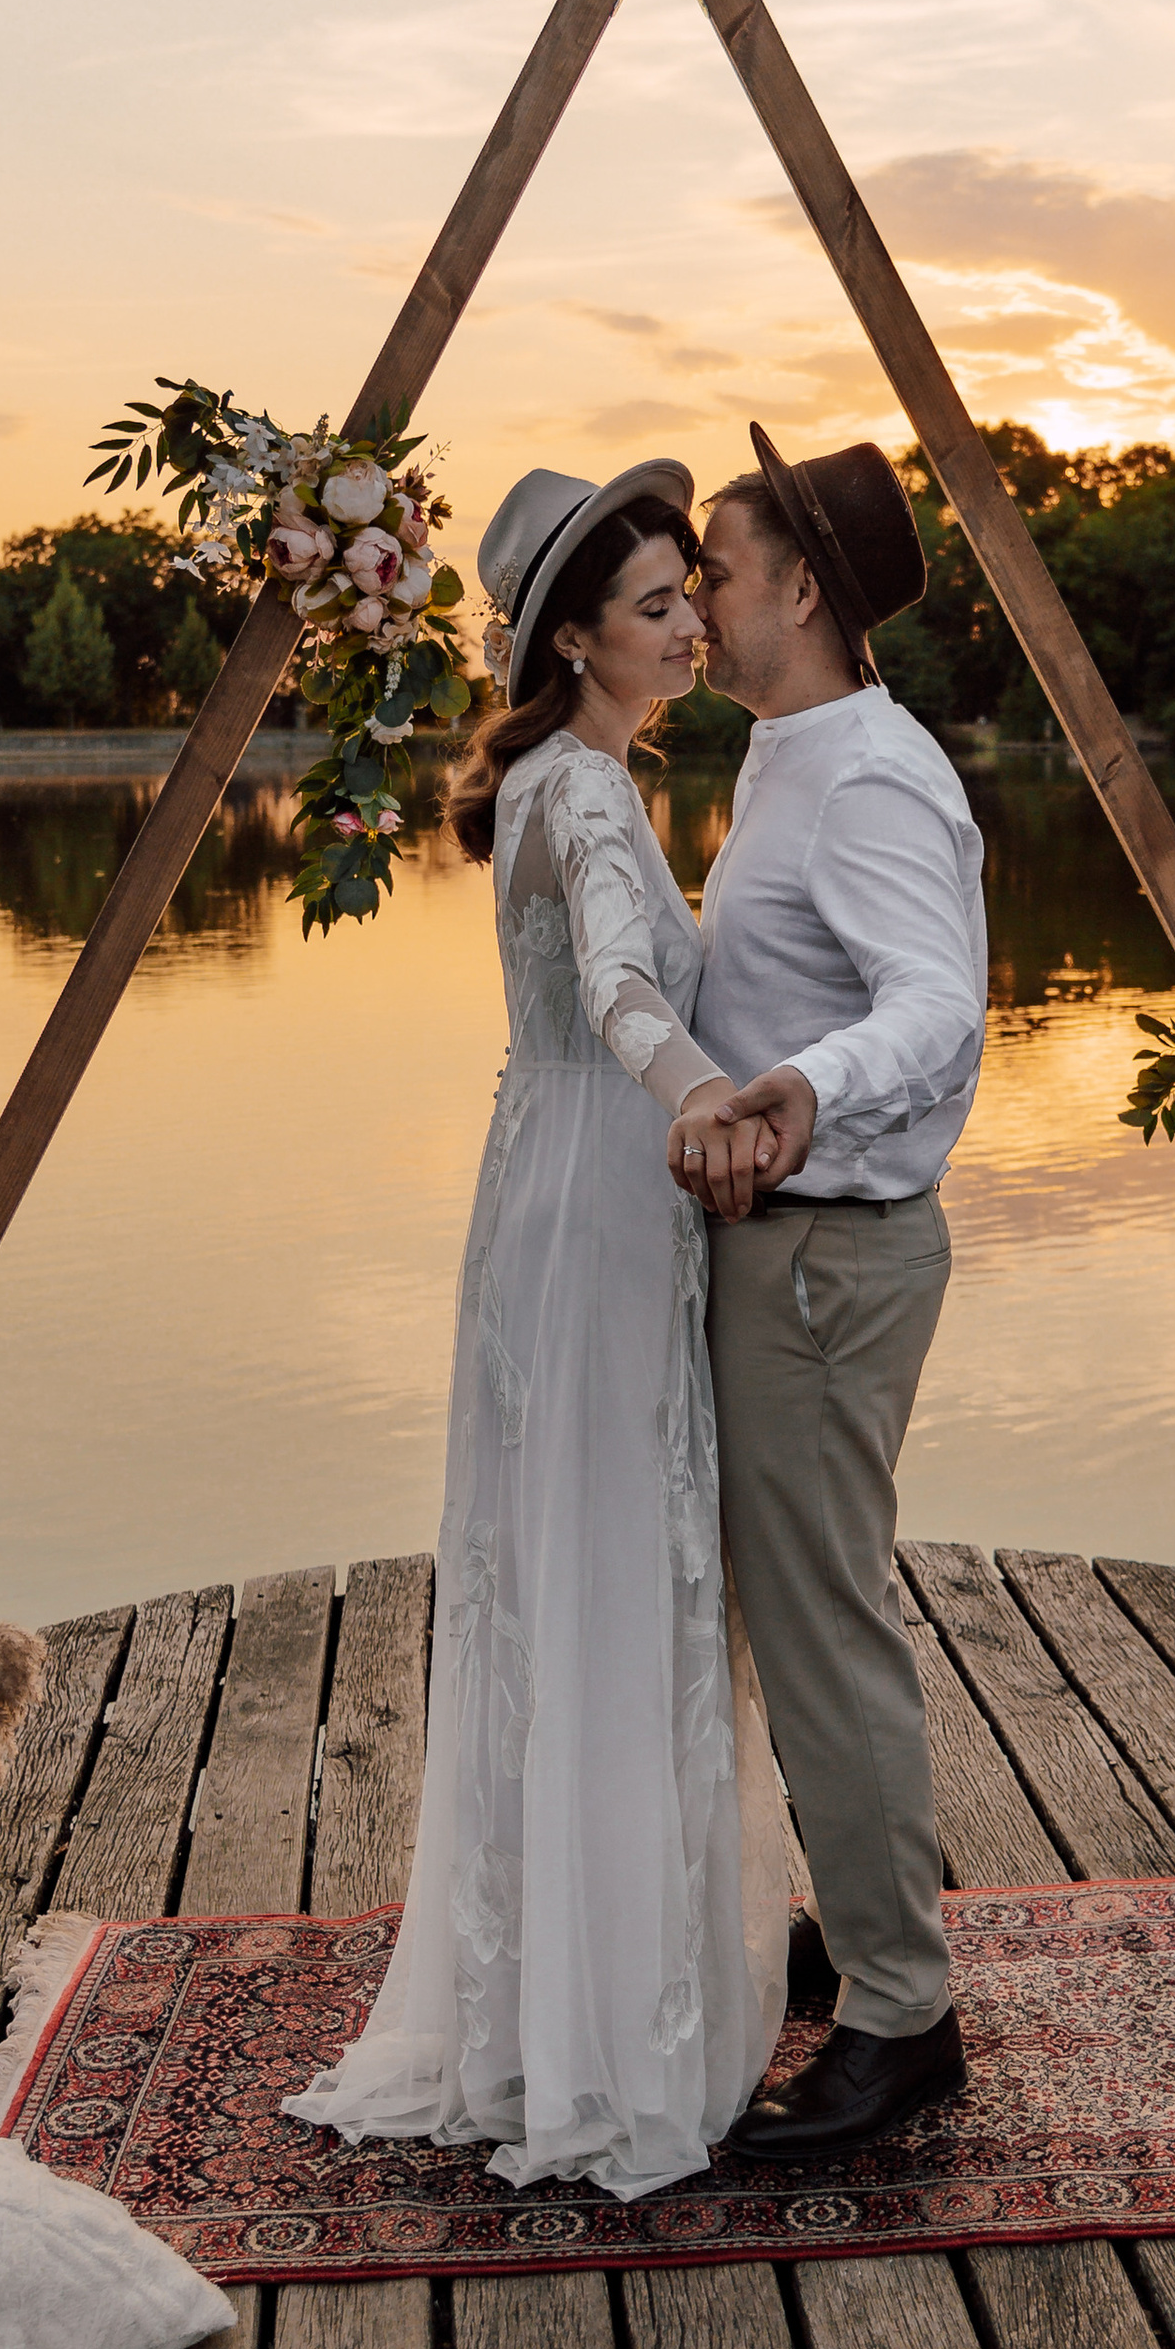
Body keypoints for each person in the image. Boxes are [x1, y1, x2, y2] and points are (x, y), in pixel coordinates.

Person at [286, 458, 789, 2199]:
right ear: (575, 637)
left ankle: (566, 1994)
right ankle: (591, 2032)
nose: (688, 621)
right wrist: (717, 1102)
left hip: (564, 1178)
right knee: (596, 1565)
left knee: (581, 1559)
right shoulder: (580, 800)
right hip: (597, 1185)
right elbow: (625, 995)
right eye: (655, 603)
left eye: (687, 595)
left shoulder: (597, 784)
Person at [670, 430, 989, 2160]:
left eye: (718, 568)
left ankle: (902, 2021)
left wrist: (804, 1089)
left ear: (803, 591)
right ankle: (875, 1913)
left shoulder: (862, 776)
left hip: (825, 1254)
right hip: (797, 1249)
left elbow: (937, 1006)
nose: (700, 596)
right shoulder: (796, 755)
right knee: (809, 1602)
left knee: (820, 1623)